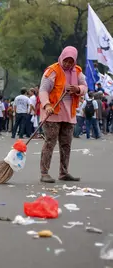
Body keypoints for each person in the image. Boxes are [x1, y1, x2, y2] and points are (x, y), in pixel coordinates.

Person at [39, 46, 87, 183]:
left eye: (71, 61)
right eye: (66, 60)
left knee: (66, 144)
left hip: (69, 113)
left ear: (74, 61)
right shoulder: (52, 70)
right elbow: (43, 90)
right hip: (53, 111)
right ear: (62, 57)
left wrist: (78, 89)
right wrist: (47, 104)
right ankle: (44, 173)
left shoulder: (77, 72)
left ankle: (64, 172)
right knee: (50, 142)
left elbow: (85, 86)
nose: (67, 64)